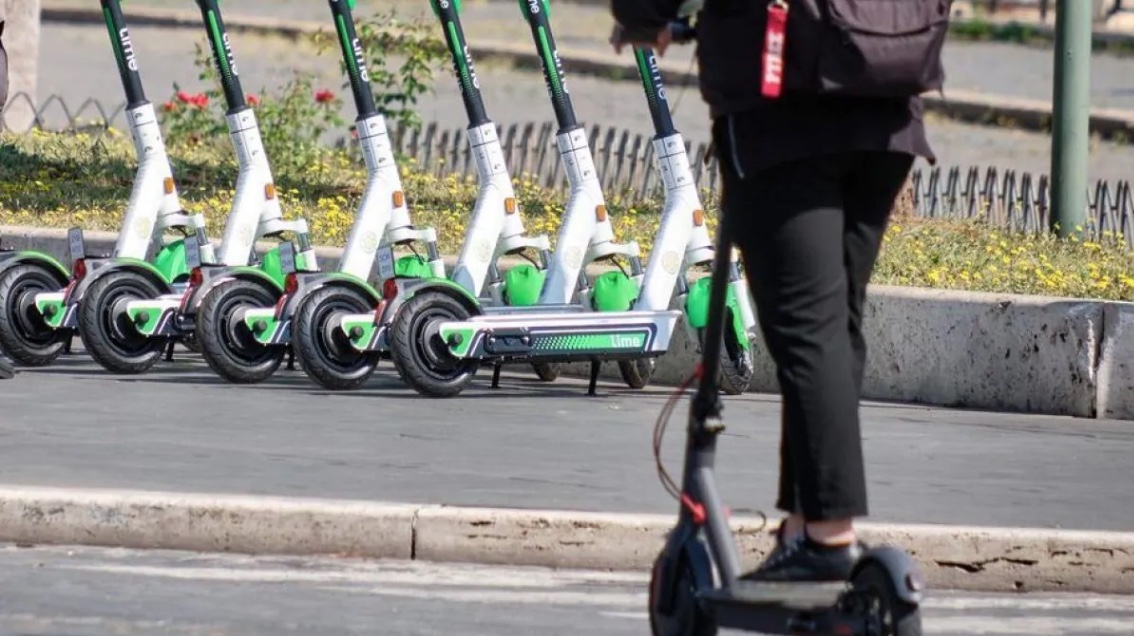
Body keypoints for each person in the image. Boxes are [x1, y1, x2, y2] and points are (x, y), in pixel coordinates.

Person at [609, 0, 944, 582]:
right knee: (835, 327)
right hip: (886, 105)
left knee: (810, 331)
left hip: (783, 111)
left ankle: (826, 537)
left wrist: (643, 17)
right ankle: (804, 526)